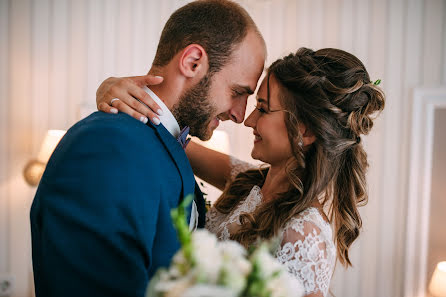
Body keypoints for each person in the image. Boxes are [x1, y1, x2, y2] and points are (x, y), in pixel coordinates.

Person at [96, 47, 385, 297]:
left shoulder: (304, 236)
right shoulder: (246, 181)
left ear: (305, 130)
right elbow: (175, 140)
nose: (248, 120)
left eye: (263, 107)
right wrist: (116, 90)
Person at [30, 1, 265, 297]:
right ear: (193, 62)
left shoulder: (161, 142)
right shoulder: (108, 147)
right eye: (238, 92)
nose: (240, 115)